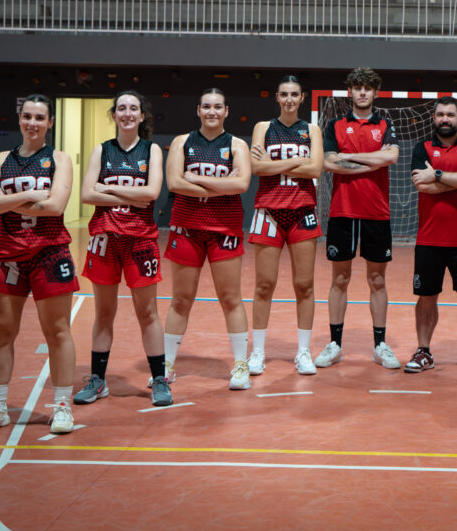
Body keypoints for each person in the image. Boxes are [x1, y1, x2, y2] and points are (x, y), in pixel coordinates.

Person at [0, 94, 79, 436]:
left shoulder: (59, 159)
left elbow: (56, 206)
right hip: (6, 254)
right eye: (27, 116)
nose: (32, 123)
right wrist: (29, 198)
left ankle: (62, 407)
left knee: (58, 332)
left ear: (50, 123)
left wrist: (5, 201)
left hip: (50, 252)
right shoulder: (1, 158)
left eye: (39, 117)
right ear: (20, 120)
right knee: (0, 332)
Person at [75, 91, 168, 407]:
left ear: (142, 116)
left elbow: (152, 192)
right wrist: (132, 195)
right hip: (104, 239)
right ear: (114, 115)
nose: (127, 113)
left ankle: (159, 379)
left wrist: (108, 188)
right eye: (122, 108)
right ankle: (98, 380)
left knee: (148, 313)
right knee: (103, 313)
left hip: (140, 241)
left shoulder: (152, 150)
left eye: (134, 109)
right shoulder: (101, 150)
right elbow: (87, 195)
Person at [159, 88, 253, 390]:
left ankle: (241, 365)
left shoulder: (237, 144)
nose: (212, 112)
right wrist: (219, 186)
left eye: (218, 107)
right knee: (180, 300)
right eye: (207, 107)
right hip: (186, 228)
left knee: (230, 298)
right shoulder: (181, 142)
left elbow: (241, 184)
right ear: (198, 110)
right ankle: (166, 365)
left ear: (227, 111)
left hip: (224, 230)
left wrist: (195, 180)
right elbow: (174, 182)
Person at [316, 67, 402, 370]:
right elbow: (328, 162)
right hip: (343, 212)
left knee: (377, 280)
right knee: (340, 279)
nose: (362, 92)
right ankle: (335, 344)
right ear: (349, 92)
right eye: (357, 87)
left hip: (377, 213)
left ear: (375, 93)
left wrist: (349, 159)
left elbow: (391, 157)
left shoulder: (385, 123)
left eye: (368, 88)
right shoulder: (335, 125)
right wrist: (372, 161)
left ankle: (380, 344)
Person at [405, 97, 457, 374]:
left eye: (450, 114)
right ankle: (424, 351)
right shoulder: (422, 148)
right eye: (440, 114)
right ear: (433, 118)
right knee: (427, 297)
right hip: (429, 240)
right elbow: (421, 184)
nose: (445, 118)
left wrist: (438, 175)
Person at [247, 76, 325, 375]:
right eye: (284, 95)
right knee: (264, 285)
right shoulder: (263, 128)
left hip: (302, 211)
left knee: (304, 285)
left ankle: (303, 352)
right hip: (268, 212)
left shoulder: (311, 130)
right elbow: (257, 168)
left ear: (302, 97)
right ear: (277, 97)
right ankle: (257, 352)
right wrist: (297, 161)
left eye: (294, 95)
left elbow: (316, 168)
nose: (289, 99)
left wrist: (274, 163)